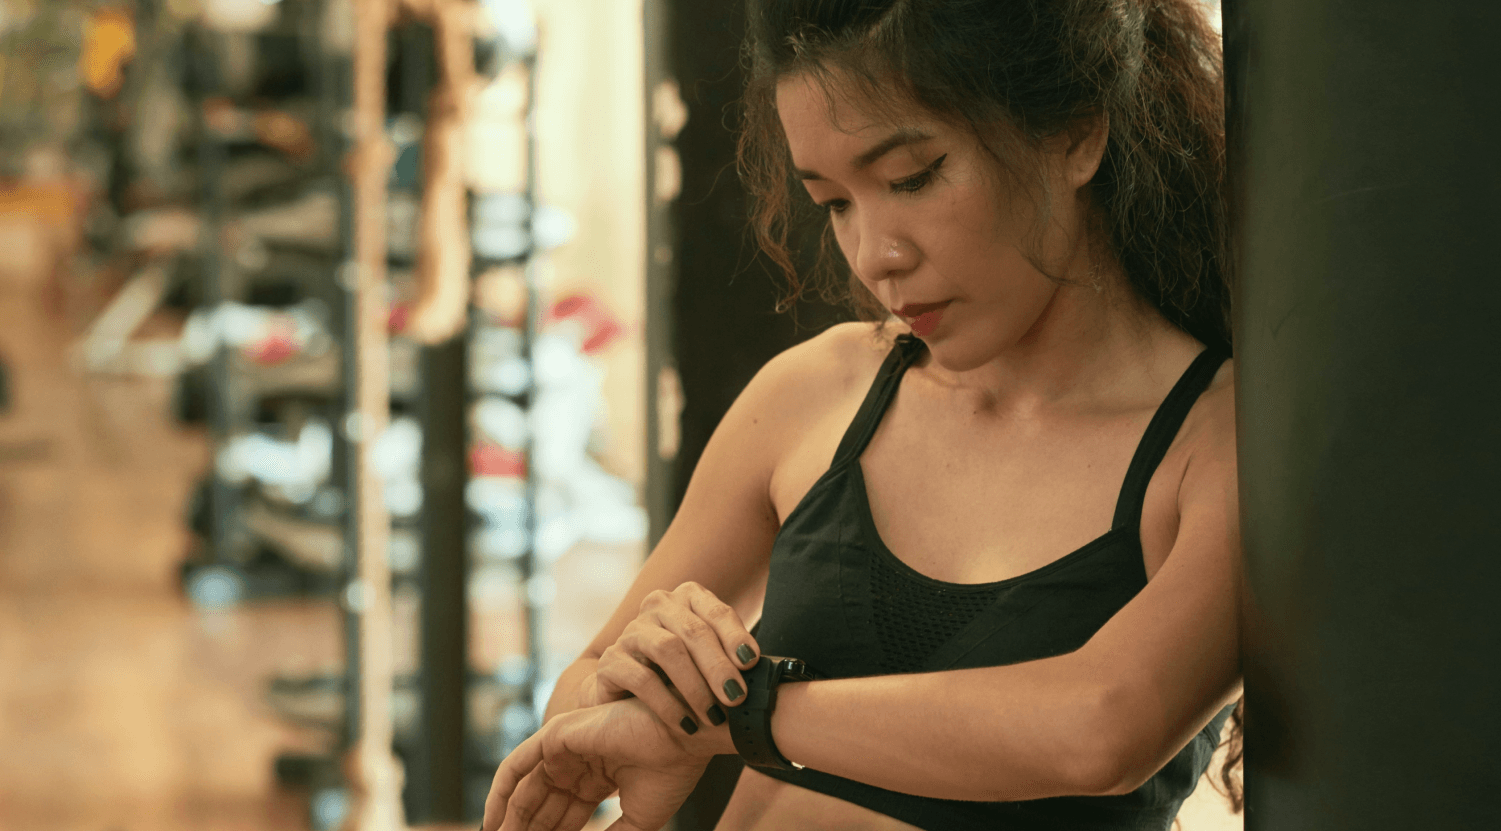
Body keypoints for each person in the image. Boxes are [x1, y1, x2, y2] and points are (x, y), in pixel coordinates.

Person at [487, 0, 1242, 828]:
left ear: (1073, 135)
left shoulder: (1218, 438)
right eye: (834, 202)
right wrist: (649, 677)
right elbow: (581, 706)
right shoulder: (818, 390)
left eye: (912, 177)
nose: (876, 255)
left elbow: (1099, 727)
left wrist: (736, 715)